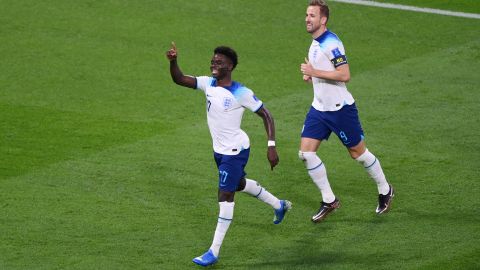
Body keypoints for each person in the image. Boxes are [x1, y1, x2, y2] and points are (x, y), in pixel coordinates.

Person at [166, 42, 292, 266]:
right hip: (219, 152)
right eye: (213, 60)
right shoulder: (208, 83)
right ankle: (278, 205)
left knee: (225, 196)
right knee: (239, 184)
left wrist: (271, 145)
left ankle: (213, 252)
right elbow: (179, 79)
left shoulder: (241, 92)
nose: (214, 63)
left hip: (235, 151)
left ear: (230, 66)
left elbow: (266, 115)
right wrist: (173, 61)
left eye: (219, 61)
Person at [299, 0, 394, 223]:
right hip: (319, 108)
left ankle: (385, 188)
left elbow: (344, 74)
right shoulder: (315, 43)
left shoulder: (331, 43)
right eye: (306, 15)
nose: (307, 19)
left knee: (358, 154)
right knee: (306, 153)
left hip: (340, 110)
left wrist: (315, 71)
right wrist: (312, 75)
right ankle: (329, 200)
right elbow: (325, 71)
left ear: (323, 19)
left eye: (312, 15)